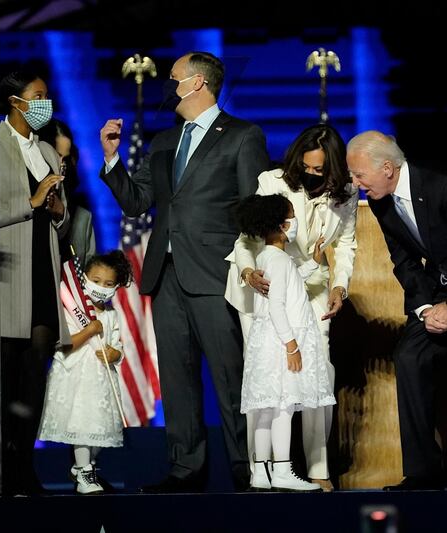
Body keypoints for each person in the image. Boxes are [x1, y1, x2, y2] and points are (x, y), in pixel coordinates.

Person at [99, 51, 270, 493]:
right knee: (176, 377)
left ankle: (246, 467)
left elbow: (252, 206)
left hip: (216, 272)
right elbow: (137, 201)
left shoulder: (242, 135)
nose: (167, 84)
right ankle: (185, 469)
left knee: (230, 375)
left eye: (173, 78)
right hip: (166, 271)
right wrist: (112, 160)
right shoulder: (163, 141)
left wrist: (251, 266)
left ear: (197, 84)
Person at [347, 130, 447, 490]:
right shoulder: (380, 199)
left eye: (359, 176)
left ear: (387, 167)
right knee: (409, 355)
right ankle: (423, 472)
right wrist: (424, 310)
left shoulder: (445, 186)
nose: (356, 184)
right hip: (443, 285)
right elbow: (404, 261)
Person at [225, 124, 357, 491]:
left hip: (312, 287)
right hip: (265, 284)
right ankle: (262, 470)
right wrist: (249, 271)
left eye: (320, 171)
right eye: (307, 168)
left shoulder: (346, 194)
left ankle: (317, 467)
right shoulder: (274, 182)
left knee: (318, 374)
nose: (312, 175)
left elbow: (346, 244)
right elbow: (247, 236)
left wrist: (341, 287)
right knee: (266, 381)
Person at [0, 69, 70, 495]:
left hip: (41, 272)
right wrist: (31, 203)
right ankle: (0, 468)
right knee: (2, 378)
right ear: (15, 101)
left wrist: (58, 208)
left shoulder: (46, 149)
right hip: (4, 274)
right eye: (38, 96)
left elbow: (57, 220)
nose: (46, 103)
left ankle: (24, 464)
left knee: (34, 374)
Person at [235, 194, 335, 492]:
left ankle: (261, 472)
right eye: (291, 218)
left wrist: (312, 264)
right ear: (280, 225)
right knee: (283, 407)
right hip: (283, 340)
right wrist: (292, 345)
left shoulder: (270, 258)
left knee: (266, 409)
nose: (294, 225)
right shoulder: (277, 260)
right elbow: (277, 305)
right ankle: (281, 469)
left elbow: (290, 281)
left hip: (267, 340)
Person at [38, 250, 132, 494]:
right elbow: (64, 343)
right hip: (76, 377)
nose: (101, 287)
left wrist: (115, 354)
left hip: (101, 381)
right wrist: (89, 331)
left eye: (109, 284)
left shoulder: (112, 314)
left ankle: (84, 467)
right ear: (84, 279)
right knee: (82, 425)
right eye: (96, 281)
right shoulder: (71, 310)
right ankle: (84, 472)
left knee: (98, 430)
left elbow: (117, 344)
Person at [38, 119, 96, 265]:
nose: (62, 164)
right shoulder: (23, 206)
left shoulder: (82, 218)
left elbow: (88, 272)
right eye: (57, 156)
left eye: (66, 158)